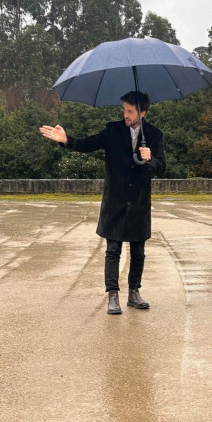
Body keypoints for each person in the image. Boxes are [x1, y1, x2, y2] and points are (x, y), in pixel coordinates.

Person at [40, 91, 166, 315]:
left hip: (139, 203)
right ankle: (113, 295)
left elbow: (162, 168)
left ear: (142, 112)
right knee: (113, 250)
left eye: (130, 111)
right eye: (124, 110)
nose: (125, 115)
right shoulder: (112, 130)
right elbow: (88, 144)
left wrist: (150, 160)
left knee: (138, 252)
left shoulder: (155, 135)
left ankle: (134, 292)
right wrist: (66, 141)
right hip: (115, 200)